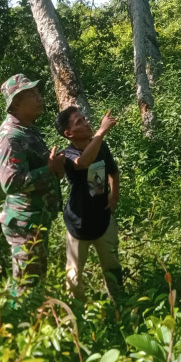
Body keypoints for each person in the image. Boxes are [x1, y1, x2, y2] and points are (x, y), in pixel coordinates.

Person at [0, 74, 65, 287]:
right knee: (26, 287)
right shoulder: (10, 137)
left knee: (35, 281)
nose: (39, 98)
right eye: (32, 94)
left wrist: (54, 169)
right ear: (16, 103)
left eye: (37, 92)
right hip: (24, 223)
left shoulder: (27, 130)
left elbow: (36, 168)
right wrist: (49, 169)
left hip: (35, 220)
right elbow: (11, 183)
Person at [55, 106, 123, 302]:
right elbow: (83, 162)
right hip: (78, 223)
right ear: (68, 133)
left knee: (113, 267)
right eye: (79, 122)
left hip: (103, 219)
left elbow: (113, 172)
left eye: (84, 119)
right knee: (73, 275)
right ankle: (76, 310)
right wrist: (101, 131)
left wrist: (114, 197)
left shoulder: (101, 146)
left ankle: (120, 305)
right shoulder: (67, 154)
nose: (86, 123)